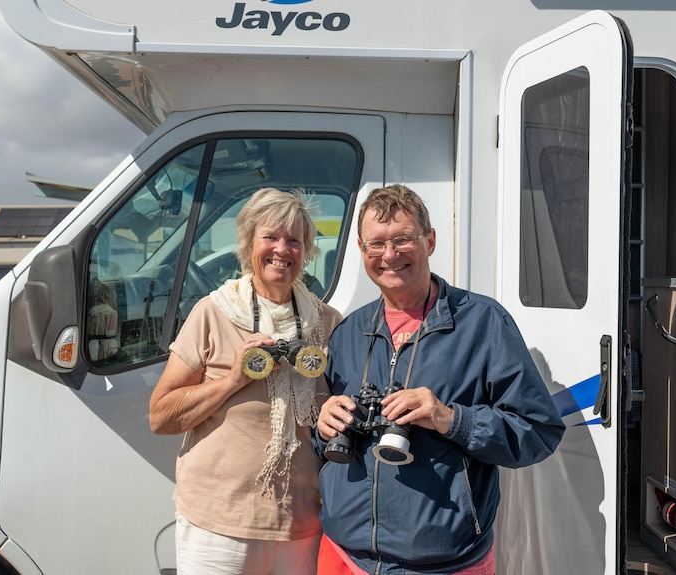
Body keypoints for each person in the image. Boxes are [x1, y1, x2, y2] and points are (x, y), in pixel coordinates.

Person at [315, 184, 566, 575]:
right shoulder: (349, 332)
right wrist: (324, 424)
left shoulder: (483, 323)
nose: (390, 255)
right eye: (377, 244)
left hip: (444, 563)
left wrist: (452, 420)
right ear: (363, 252)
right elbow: (325, 443)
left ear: (429, 241)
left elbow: (538, 431)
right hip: (344, 554)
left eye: (403, 239)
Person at [149, 187, 343, 575]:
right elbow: (161, 416)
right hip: (219, 526)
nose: (282, 250)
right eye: (270, 237)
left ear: (306, 250)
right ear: (248, 242)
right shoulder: (213, 313)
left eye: (294, 240)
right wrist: (233, 380)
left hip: (300, 525)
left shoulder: (327, 323)